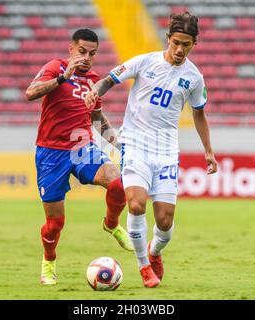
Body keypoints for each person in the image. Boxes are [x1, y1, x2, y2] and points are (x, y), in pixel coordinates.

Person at [85, 12, 218, 288]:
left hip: (167, 151)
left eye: (187, 44)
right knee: (135, 204)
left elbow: (199, 114)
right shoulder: (145, 62)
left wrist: (208, 150)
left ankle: (154, 251)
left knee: (165, 224)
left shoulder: (194, 78)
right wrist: (94, 92)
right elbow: (109, 79)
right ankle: (144, 268)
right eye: (177, 42)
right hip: (135, 144)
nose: (180, 49)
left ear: (194, 44)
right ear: (168, 38)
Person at [25, 28, 133, 285]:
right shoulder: (55, 67)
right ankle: (49, 262)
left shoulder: (94, 80)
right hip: (51, 153)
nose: (86, 57)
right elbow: (30, 93)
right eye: (82, 51)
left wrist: (119, 144)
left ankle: (111, 224)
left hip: (81, 148)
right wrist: (64, 77)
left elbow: (97, 118)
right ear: (71, 49)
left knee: (118, 182)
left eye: (92, 53)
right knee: (55, 224)